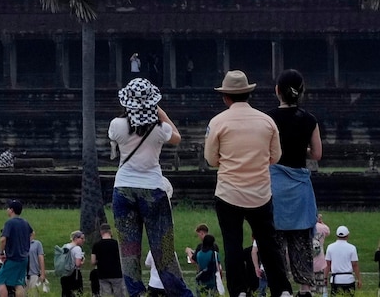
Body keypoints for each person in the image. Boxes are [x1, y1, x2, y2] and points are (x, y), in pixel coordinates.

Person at [204, 71, 292, 297]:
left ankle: (239, 291)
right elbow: (276, 157)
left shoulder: (217, 123)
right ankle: (282, 290)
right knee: (268, 243)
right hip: (260, 193)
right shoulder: (267, 122)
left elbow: (211, 160)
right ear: (248, 94)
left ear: (225, 97)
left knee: (232, 243)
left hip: (229, 193)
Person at [108, 79, 189, 297]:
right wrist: (159, 111)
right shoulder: (160, 129)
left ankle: (136, 294)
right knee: (163, 250)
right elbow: (177, 137)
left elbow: (121, 135)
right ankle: (181, 294)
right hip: (153, 189)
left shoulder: (116, 125)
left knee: (129, 250)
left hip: (123, 188)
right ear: (152, 102)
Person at [268, 70, 322, 297]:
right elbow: (317, 154)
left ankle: (281, 289)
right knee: (300, 239)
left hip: (275, 185)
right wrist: (301, 150)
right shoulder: (309, 120)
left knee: (276, 240)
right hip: (299, 186)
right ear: (301, 92)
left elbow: (265, 151)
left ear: (277, 91)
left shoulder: (268, 118)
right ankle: (305, 289)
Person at [0, 201, 32, 297]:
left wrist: (1, 252)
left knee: (1, 278)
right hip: (24, 258)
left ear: (11, 210)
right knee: (18, 282)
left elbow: (3, 240)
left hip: (12, 258)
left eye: (8, 208)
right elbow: (32, 233)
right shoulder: (25, 222)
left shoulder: (9, 223)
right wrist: (25, 244)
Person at [88, 227, 122, 297]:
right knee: (119, 294)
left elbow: (93, 261)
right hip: (117, 273)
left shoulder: (96, 245)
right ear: (110, 232)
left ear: (101, 233)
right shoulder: (117, 244)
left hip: (103, 274)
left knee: (106, 294)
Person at [322, 228, 357, 296]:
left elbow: (328, 264)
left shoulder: (330, 247)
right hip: (349, 279)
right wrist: (359, 279)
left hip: (336, 280)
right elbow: (355, 265)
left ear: (337, 235)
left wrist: (325, 278)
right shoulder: (352, 248)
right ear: (347, 235)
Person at [54, 233, 84, 297]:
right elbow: (77, 264)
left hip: (64, 273)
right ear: (76, 238)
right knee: (77, 293)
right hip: (74, 274)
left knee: (65, 293)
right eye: (82, 238)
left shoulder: (65, 246)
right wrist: (82, 262)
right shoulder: (77, 248)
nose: (83, 240)